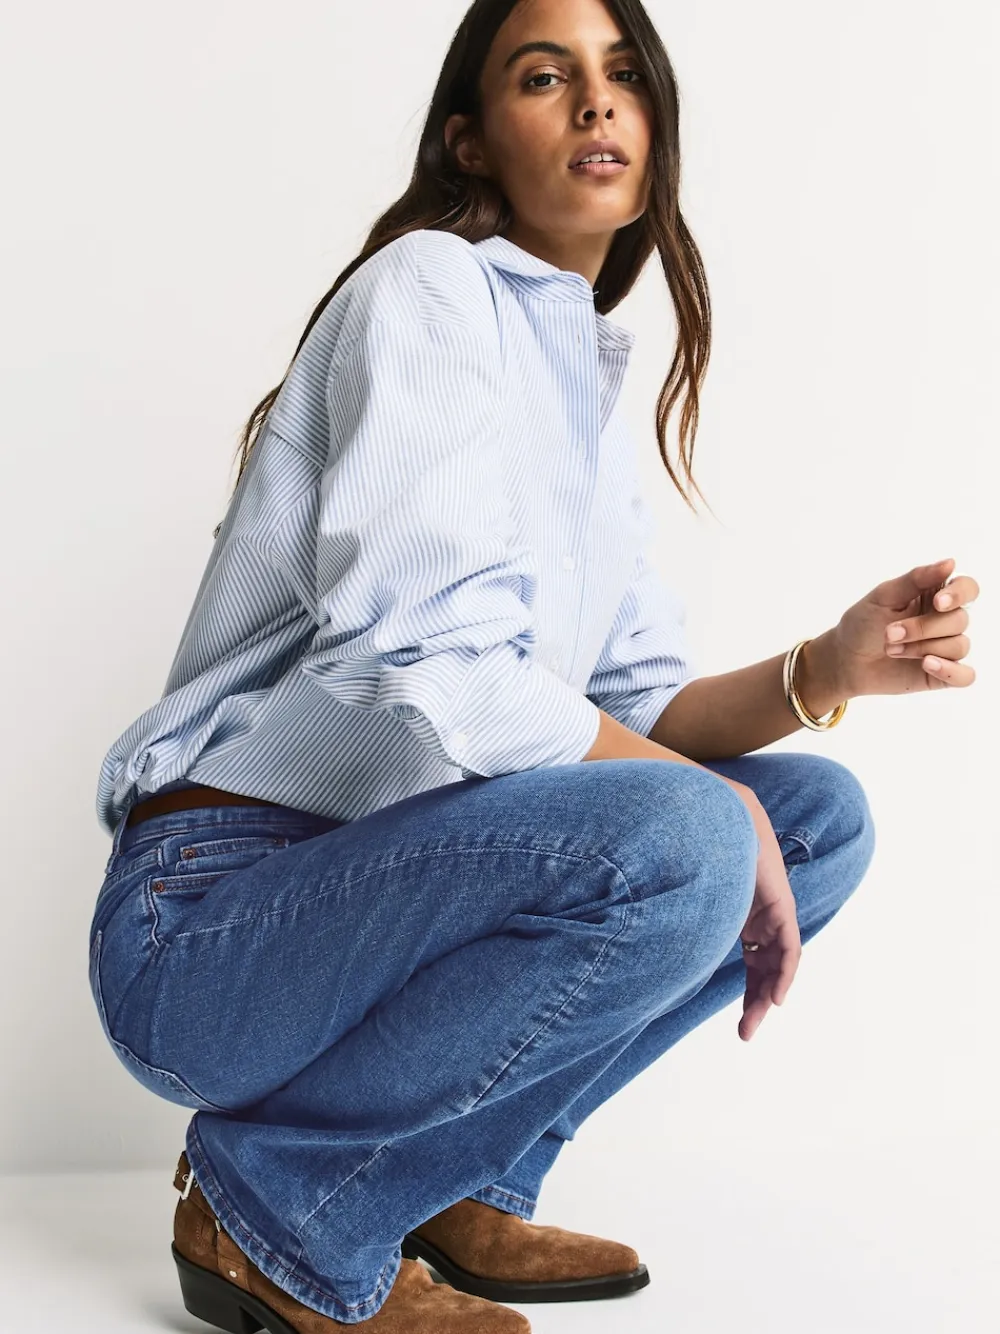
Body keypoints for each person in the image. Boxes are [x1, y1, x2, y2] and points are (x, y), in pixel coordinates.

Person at [88, 0, 978, 1330]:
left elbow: (624, 715)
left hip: (382, 896)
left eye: (623, 75)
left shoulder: (579, 385)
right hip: (216, 924)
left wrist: (829, 665)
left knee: (813, 820)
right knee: (695, 826)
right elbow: (430, 654)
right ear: (471, 142)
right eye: (546, 76)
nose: (598, 102)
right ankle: (279, 1206)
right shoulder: (428, 288)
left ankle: (447, 1180)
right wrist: (705, 809)